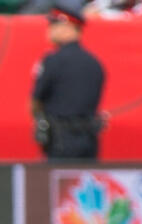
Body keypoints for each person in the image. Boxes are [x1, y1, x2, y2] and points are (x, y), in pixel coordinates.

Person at [31, 7, 107, 162]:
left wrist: (40, 120)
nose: (49, 30)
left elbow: (36, 100)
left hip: (60, 140)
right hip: (90, 139)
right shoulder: (94, 63)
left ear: (68, 28)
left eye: (54, 25)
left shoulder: (53, 61)